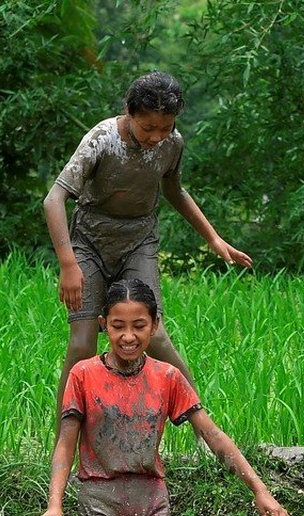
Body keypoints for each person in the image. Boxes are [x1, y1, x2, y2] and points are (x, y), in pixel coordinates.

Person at [34, 278, 293, 516]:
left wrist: (261, 491)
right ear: (103, 326)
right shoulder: (83, 375)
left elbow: (212, 434)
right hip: (100, 502)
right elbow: (66, 444)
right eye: (118, 326)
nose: (128, 336)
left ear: (154, 326)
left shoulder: (167, 377)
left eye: (139, 326)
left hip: (151, 505)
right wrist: (55, 504)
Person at [43, 70, 251, 421]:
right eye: (148, 128)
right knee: (81, 343)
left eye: (164, 128)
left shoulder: (173, 144)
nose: (156, 137)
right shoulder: (102, 139)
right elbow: (54, 199)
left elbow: (175, 191)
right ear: (130, 113)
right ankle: (66, 438)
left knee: (155, 337)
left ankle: (203, 427)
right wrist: (68, 264)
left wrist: (214, 239)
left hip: (139, 239)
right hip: (90, 241)